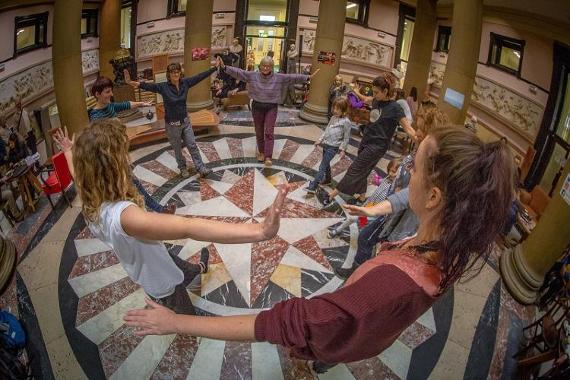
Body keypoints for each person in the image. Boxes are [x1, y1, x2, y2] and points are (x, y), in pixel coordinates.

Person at [124, 127, 515, 375]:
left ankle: (322, 364)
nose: (404, 175)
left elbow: (285, 323)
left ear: (433, 196)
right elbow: (400, 202)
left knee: (322, 346)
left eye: (413, 168)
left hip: (347, 337)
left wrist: (178, 323)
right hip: (368, 331)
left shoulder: (387, 289)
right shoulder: (446, 247)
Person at [53, 119, 288, 315]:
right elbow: (187, 227)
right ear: (112, 167)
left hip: (151, 255)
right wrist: (260, 231)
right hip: (158, 281)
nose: (128, 159)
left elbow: (77, 174)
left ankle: (198, 268)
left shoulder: (89, 192)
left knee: (178, 264)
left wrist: (67, 151)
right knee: (184, 315)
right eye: (123, 154)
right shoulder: (125, 216)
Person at [335, 105, 449, 278]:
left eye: (421, 129)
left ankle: (362, 277)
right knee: (369, 239)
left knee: (378, 249)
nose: (416, 132)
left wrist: (373, 209)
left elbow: (408, 195)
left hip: (404, 222)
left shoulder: (430, 167)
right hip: (392, 215)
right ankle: (361, 273)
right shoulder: (417, 152)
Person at [319, 73, 415, 208]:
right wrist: (355, 91)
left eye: (376, 92)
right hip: (366, 140)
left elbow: (408, 129)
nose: (374, 94)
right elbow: (365, 99)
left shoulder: (395, 108)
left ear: (385, 91)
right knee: (364, 169)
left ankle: (330, 196)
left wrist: (421, 140)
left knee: (355, 168)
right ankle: (362, 195)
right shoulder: (376, 100)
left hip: (377, 146)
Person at [88, 76, 173, 215]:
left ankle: (148, 211)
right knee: (133, 185)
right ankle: (155, 210)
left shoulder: (108, 106)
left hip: (118, 155)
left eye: (111, 91)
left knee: (131, 186)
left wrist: (142, 104)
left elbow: (126, 104)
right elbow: (101, 142)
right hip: (111, 161)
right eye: (108, 92)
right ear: (97, 94)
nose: (111, 94)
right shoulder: (96, 117)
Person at [217, 55, 319, 166]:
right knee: (259, 131)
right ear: (260, 66)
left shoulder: (279, 77)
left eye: (268, 66)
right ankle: (261, 152)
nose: (265, 68)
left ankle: (268, 156)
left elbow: (292, 77)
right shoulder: (253, 75)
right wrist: (224, 67)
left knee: (269, 132)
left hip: (271, 107)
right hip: (257, 106)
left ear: (272, 67)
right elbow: (239, 72)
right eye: (263, 66)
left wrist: (307, 77)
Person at [124, 61, 220, 178]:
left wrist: (214, 68)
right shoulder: (163, 87)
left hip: (185, 122)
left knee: (192, 145)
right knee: (178, 149)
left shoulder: (185, 83)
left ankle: (200, 167)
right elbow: (146, 86)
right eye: (173, 72)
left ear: (180, 72)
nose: (175, 74)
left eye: (177, 71)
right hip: (172, 125)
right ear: (168, 74)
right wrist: (130, 82)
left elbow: (199, 77)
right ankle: (182, 167)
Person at [328, 158, 400, 239]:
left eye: (393, 172)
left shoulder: (396, 187)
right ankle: (358, 230)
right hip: (370, 204)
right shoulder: (387, 179)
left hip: (377, 211)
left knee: (353, 218)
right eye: (389, 170)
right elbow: (379, 188)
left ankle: (338, 230)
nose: (390, 173)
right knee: (362, 221)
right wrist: (378, 181)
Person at [305, 97, 352, 195]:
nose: (334, 110)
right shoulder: (333, 118)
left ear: (343, 110)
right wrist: (319, 140)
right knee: (326, 165)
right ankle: (328, 179)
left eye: (337, 109)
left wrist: (343, 150)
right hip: (326, 145)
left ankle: (313, 186)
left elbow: (346, 137)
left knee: (322, 166)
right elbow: (327, 130)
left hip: (333, 147)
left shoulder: (346, 122)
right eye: (334, 108)